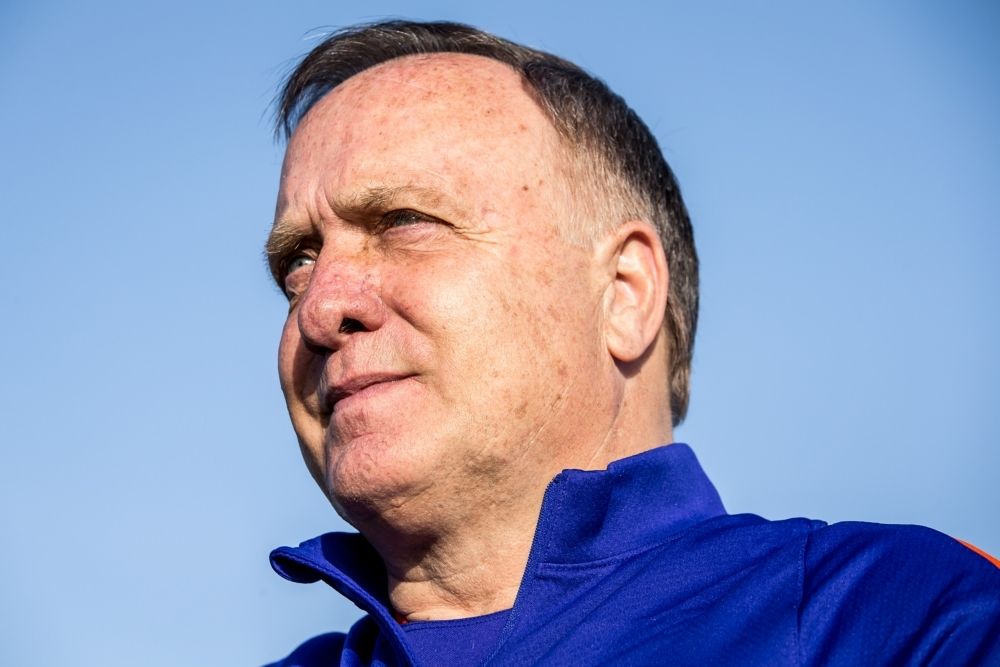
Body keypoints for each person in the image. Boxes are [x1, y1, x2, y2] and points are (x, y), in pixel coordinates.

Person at [263, 20, 1000, 667]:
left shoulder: (898, 620)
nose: (320, 307)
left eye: (404, 221)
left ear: (625, 293)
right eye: (298, 260)